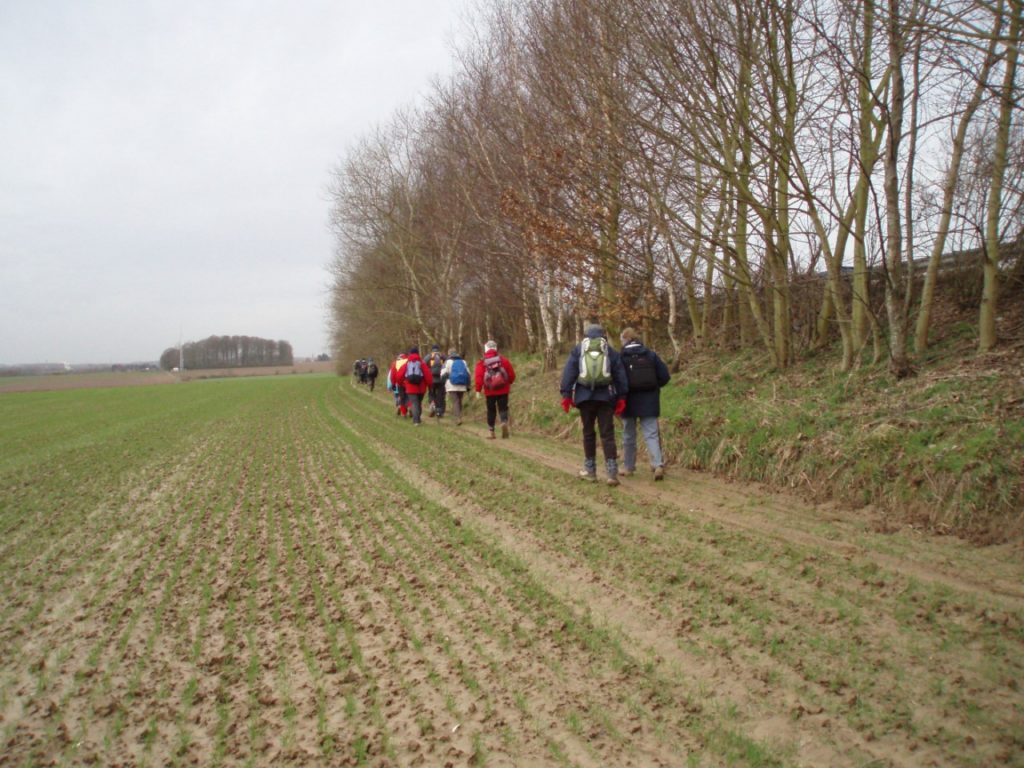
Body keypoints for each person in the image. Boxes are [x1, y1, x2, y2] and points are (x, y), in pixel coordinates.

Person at [559, 323, 629, 486]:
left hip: (584, 397)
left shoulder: (579, 350)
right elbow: (620, 375)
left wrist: (566, 394)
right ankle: (612, 473)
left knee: (588, 433)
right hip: (606, 397)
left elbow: (569, 373)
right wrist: (622, 397)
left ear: (586, 336)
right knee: (607, 433)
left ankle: (590, 471)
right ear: (603, 336)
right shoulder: (610, 351)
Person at [617, 328, 672, 480]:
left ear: (625, 339)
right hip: (650, 400)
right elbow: (665, 376)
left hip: (628, 401)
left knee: (629, 435)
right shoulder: (650, 354)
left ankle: (628, 467)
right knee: (651, 434)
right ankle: (657, 464)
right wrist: (653, 388)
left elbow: (618, 380)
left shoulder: (621, 357)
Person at [474, 340, 516, 439]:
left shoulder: (482, 362)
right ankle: (504, 422)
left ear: (486, 349)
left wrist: (478, 390)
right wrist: (508, 383)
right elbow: (512, 375)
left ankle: (491, 432)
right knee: (503, 408)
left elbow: (479, 377)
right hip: (503, 389)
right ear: (496, 348)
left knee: (491, 410)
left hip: (489, 391)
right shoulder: (503, 360)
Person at [394, 346, 433, 425]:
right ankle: (417, 418)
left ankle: (416, 421)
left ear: (410, 354)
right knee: (418, 403)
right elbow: (428, 375)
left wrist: (401, 383)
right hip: (421, 387)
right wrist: (430, 385)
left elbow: (399, 375)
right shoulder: (422, 363)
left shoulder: (407, 363)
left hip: (410, 387)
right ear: (418, 353)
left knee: (414, 403)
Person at [442, 347, 471, 425]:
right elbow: (468, 374)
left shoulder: (447, 362)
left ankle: (458, 418)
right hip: (462, 384)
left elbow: (443, 373)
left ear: (449, 354)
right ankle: (459, 416)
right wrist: (468, 385)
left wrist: (443, 381)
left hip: (451, 384)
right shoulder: (463, 362)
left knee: (455, 401)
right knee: (459, 401)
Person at [426, 344, 446, 418]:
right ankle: (440, 412)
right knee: (440, 395)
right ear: (438, 349)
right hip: (441, 379)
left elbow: (423, 365)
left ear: (432, 350)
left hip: (431, 379)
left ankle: (432, 405)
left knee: (431, 394)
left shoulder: (429, 356)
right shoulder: (442, 356)